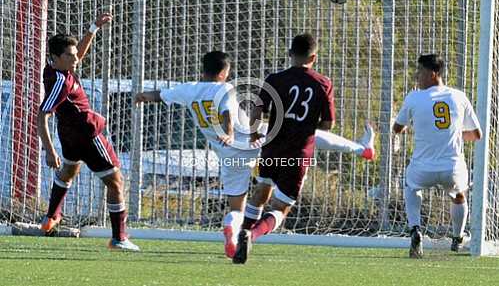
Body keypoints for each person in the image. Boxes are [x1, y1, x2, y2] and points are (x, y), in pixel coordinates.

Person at [135, 50, 375, 259]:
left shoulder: (188, 90)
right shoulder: (226, 88)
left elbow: (159, 96)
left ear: (204, 69)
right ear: (225, 72)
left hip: (228, 156)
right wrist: (229, 132)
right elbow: (227, 112)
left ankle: (232, 229)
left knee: (236, 207)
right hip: (250, 139)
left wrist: (142, 97)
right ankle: (361, 149)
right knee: (307, 133)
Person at [232, 33, 375, 264]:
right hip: (298, 153)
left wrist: (255, 133)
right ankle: (252, 234)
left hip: (272, 149)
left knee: (261, 191)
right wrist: (308, 124)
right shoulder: (323, 83)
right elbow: (328, 125)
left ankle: (242, 235)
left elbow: (257, 112)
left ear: (290, 54)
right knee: (282, 207)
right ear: (314, 57)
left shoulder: (275, 79)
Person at [38, 13, 139, 251]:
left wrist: (93, 28)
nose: (76, 59)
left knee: (69, 171)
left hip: (70, 134)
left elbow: (79, 54)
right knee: (116, 182)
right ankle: (119, 238)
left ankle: (50, 218)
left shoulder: (52, 68)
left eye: (74, 55)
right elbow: (42, 115)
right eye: (70, 56)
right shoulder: (61, 82)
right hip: (88, 135)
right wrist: (49, 151)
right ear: (56, 57)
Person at [393, 54, 481, 258]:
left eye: (420, 72)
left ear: (433, 74)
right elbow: (477, 134)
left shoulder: (414, 97)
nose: (417, 77)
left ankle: (415, 229)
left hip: (422, 168)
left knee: (411, 187)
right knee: (459, 196)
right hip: (452, 167)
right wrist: (453, 133)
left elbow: (397, 128)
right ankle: (457, 238)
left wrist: (413, 126)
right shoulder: (458, 96)